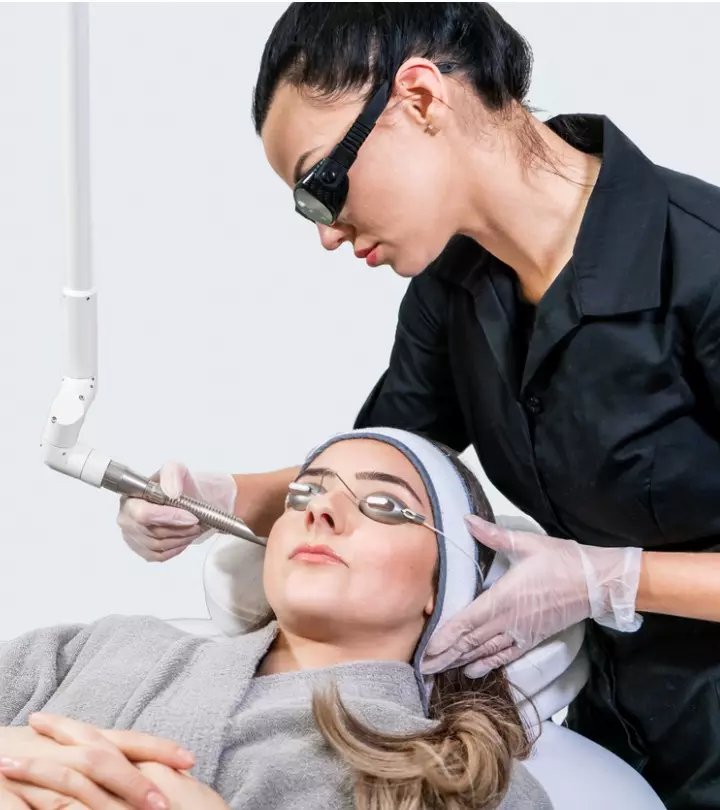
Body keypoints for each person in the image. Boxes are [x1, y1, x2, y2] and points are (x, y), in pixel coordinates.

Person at [117, 4, 720, 808]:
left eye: (321, 185)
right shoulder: (456, 288)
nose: (327, 232)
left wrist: (612, 578)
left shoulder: (702, 264)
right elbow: (380, 474)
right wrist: (219, 498)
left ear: (422, 100)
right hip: (625, 731)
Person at [0, 429, 551, 810]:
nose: (319, 509)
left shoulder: (463, 778)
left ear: (447, 588)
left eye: (384, 505)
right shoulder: (106, 645)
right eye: (305, 491)